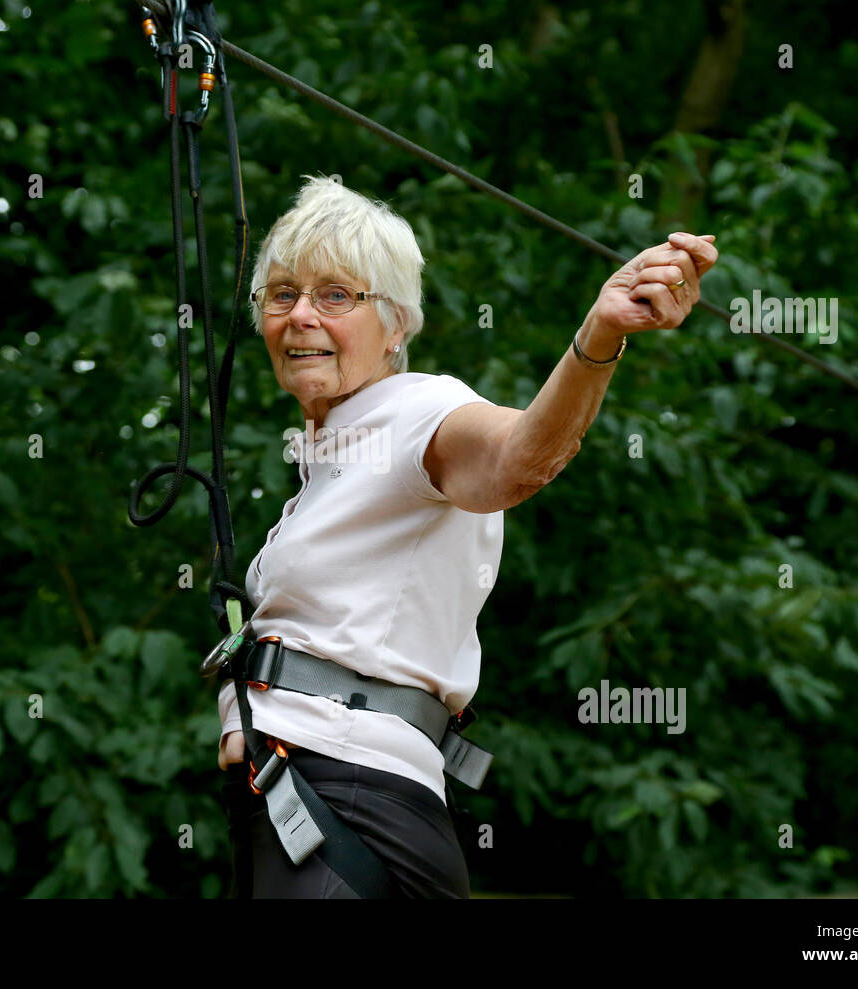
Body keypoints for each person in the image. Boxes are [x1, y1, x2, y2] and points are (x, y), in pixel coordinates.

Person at [217, 174, 718, 897]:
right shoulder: (326, 463)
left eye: (335, 295)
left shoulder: (417, 410)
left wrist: (600, 332)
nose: (300, 316)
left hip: (349, 797)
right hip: (306, 804)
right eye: (282, 294)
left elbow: (521, 457)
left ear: (395, 325)